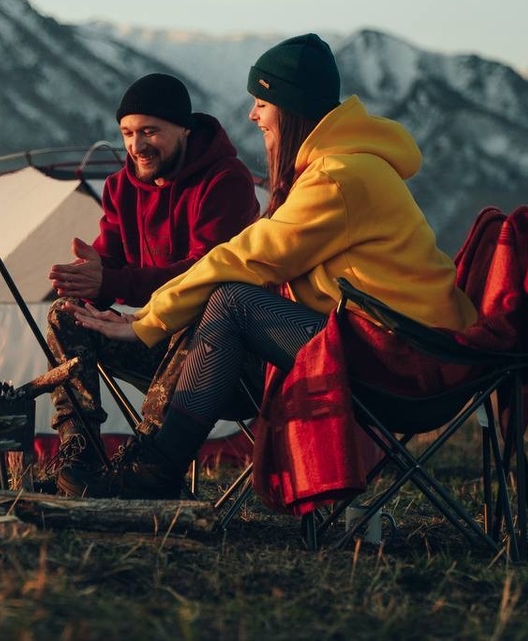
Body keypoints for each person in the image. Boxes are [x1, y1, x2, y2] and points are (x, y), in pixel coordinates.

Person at [65, 33, 479, 498]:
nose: (253, 114)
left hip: (401, 362)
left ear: (290, 105)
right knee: (227, 300)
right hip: (391, 344)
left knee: (232, 301)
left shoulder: (338, 178)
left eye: (262, 102)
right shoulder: (338, 168)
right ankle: (104, 462)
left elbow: (249, 256)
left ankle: (154, 468)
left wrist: (150, 318)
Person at [45, 72, 260, 496]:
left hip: (223, 359)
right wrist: (90, 281)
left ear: (183, 128)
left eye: (149, 131)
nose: (136, 145)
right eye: (127, 133)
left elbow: (204, 274)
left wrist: (114, 280)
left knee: (203, 312)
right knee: (65, 315)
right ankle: (80, 453)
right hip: (153, 340)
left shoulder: (226, 180)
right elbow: (112, 264)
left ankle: (149, 460)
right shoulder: (122, 187)